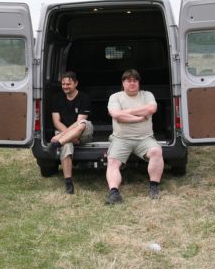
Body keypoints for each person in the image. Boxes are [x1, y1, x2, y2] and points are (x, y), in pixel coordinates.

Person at [105, 69, 163, 204]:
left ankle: (154, 187)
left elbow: (151, 109)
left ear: (139, 83)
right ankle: (114, 193)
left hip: (145, 138)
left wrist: (127, 112)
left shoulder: (147, 95)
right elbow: (117, 115)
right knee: (112, 162)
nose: (132, 83)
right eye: (128, 80)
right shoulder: (115, 97)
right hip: (121, 139)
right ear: (123, 83)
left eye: (135, 80)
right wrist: (139, 118)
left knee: (156, 151)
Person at [50, 71, 93, 194]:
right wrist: (68, 137)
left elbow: (79, 122)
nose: (65, 86)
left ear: (76, 84)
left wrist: (62, 136)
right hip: (63, 133)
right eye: (63, 84)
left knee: (83, 124)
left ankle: (57, 143)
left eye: (68, 84)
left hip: (82, 132)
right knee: (66, 144)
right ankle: (68, 182)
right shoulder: (57, 98)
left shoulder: (84, 98)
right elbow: (56, 121)